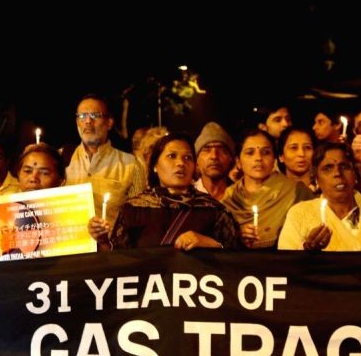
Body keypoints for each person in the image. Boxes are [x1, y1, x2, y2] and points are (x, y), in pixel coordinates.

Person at [87, 133, 239, 250]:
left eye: (187, 158)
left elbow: (237, 260)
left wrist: (208, 243)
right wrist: (103, 241)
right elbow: (119, 263)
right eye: (171, 156)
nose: (180, 163)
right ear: (154, 165)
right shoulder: (134, 209)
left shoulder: (213, 210)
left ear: (194, 167)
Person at [278, 143, 361, 254]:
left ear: (356, 174)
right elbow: (287, 268)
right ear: (315, 177)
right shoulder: (299, 214)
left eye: (344, 167)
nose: (337, 173)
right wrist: (308, 250)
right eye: (328, 168)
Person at [0, 143, 66, 261]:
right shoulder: (4, 215)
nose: (33, 178)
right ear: (18, 176)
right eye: (27, 171)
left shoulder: (77, 211)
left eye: (44, 173)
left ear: (61, 180)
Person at [221, 129, 315, 249]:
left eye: (266, 152)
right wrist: (236, 235)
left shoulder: (297, 192)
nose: (258, 158)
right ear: (238, 162)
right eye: (250, 153)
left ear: (274, 160)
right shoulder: (229, 197)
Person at [64, 94, 146, 225]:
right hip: (68, 242)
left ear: (109, 123)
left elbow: (138, 217)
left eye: (95, 115)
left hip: (112, 244)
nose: (88, 121)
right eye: (82, 116)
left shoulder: (130, 164)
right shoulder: (60, 159)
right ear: (77, 122)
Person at [193, 121, 235, 200]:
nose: (214, 156)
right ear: (197, 160)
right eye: (207, 150)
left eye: (221, 150)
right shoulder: (185, 198)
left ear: (231, 159)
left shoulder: (241, 198)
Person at [277, 127, 317, 191]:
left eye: (307, 147)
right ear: (281, 156)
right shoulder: (274, 193)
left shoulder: (324, 189)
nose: (301, 154)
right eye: (293, 148)